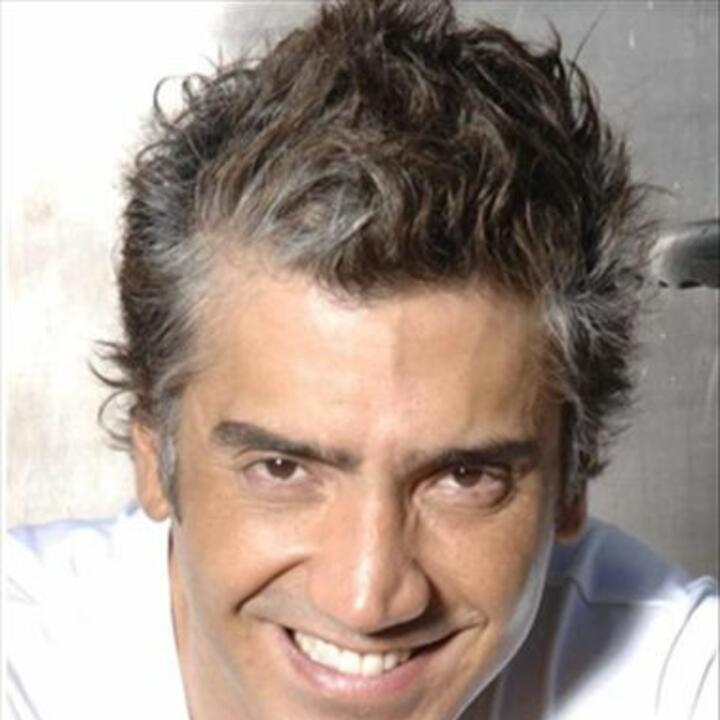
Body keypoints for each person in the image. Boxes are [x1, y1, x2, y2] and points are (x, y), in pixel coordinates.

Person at [6, 1, 717, 718]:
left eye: (464, 477)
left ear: (572, 479)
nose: (367, 599)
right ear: (152, 451)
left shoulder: (680, 676)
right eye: (280, 468)